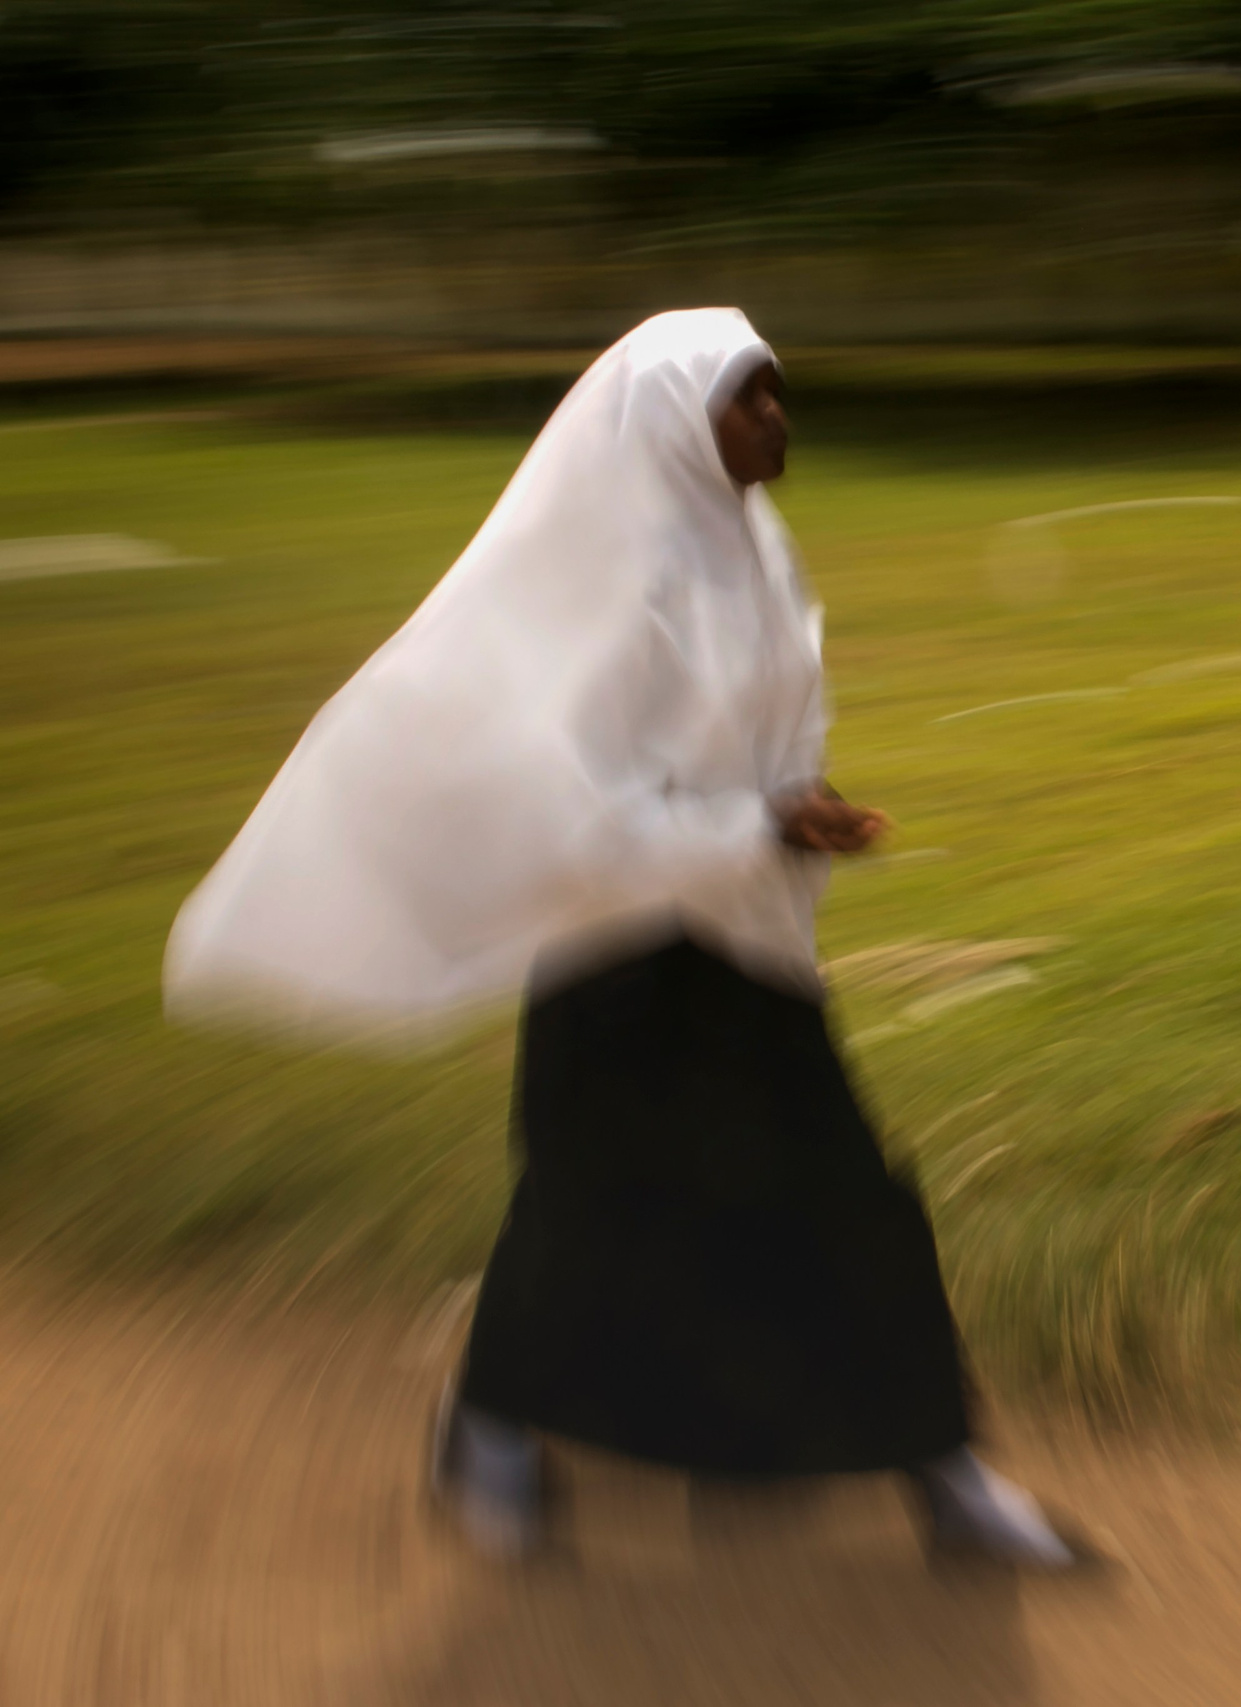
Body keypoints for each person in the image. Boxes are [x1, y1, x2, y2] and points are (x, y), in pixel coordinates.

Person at [165, 308, 1076, 1568]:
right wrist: (757, 822)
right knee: (596, 1210)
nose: (777, 420)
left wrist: (795, 818)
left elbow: (768, 745)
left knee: (839, 1199)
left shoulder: (756, 549)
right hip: (616, 961)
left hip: (742, 943)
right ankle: (488, 1432)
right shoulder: (613, 576)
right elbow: (566, 808)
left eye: (778, 393)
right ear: (669, 423)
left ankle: (943, 1476)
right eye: (746, 398)